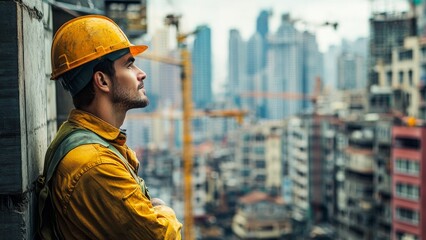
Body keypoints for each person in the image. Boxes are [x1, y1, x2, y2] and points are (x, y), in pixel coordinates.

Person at [38, 15, 182, 239]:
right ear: (102, 81)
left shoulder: (87, 141)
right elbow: (162, 236)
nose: (141, 73)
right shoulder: (94, 164)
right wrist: (163, 209)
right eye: (129, 64)